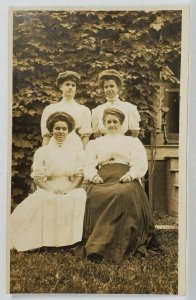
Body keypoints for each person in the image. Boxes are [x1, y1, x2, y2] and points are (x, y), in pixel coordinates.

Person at [82, 108, 161, 260]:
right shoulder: (95, 143)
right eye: (109, 122)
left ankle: (111, 245)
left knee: (123, 193)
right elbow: (88, 164)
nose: (112, 125)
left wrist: (131, 175)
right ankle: (96, 245)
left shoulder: (131, 141)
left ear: (121, 124)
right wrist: (93, 176)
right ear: (104, 124)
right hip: (103, 176)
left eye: (115, 122)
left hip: (125, 175)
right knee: (95, 193)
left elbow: (140, 163)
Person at [11, 112, 86, 252]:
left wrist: (68, 189)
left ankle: (69, 242)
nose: (60, 132)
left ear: (68, 131)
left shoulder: (76, 151)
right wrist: (51, 189)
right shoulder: (42, 151)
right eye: (57, 128)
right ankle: (47, 242)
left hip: (69, 186)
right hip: (48, 186)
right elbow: (38, 178)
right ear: (51, 130)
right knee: (46, 199)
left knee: (78, 197)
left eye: (64, 129)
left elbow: (79, 176)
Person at [41, 71, 92, 148]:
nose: (70, 87)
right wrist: (43, 156)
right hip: (54, 147)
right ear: (61, 87)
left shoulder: (83, 110)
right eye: (67, 84)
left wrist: (86, 157)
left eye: (73, 85)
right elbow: (46, 136)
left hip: (74, 146)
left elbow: (85, 137)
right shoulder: (50, 109)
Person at [91, 69, 141, 138]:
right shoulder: (98, 110)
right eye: (106, 87)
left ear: (118, 87)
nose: (109, 89)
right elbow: (97, 135)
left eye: (112, 86)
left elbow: (135, 133)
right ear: (103, 89)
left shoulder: (129, 108)